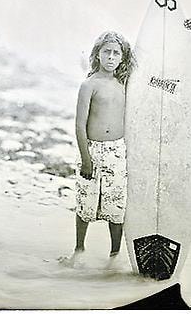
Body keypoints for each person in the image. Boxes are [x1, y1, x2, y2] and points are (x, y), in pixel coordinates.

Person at [61, 31, 135, 267]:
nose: (111, 57)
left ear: (123, 58)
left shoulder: (125, 84)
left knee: (117, 205)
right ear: (98, 54)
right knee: (86, 202)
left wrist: (185, 26)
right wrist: (85, 158)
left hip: (117, 151)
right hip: (92, 150)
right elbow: (79, 125)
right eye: (107, 52)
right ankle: (79, 250)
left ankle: (114, 256)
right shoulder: (89, 85)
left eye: (116, 53)